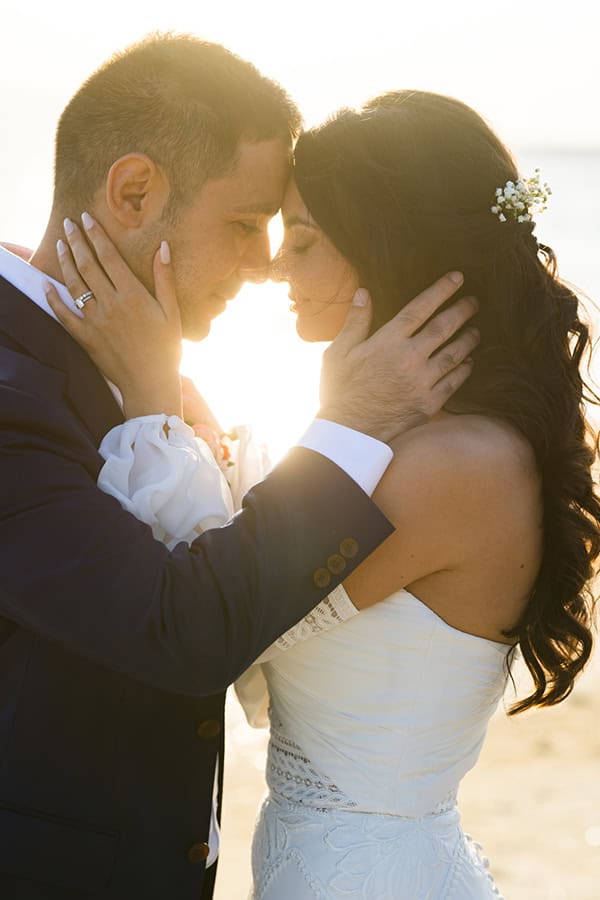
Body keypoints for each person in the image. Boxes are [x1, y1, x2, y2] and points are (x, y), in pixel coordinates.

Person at [50, 90, 600, 898]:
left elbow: (226, 629)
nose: (275, 264)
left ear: (388, 252)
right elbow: (263, 549)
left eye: (303, 239)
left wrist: (153, 398)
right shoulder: (403, 438)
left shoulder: (454, 465)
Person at [0, 36, 478, 900]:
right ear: (134, 191)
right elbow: (176, 627)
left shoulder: (135, 363)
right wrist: (353, 423)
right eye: (243, 223)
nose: (264, 265)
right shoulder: (7, 386)